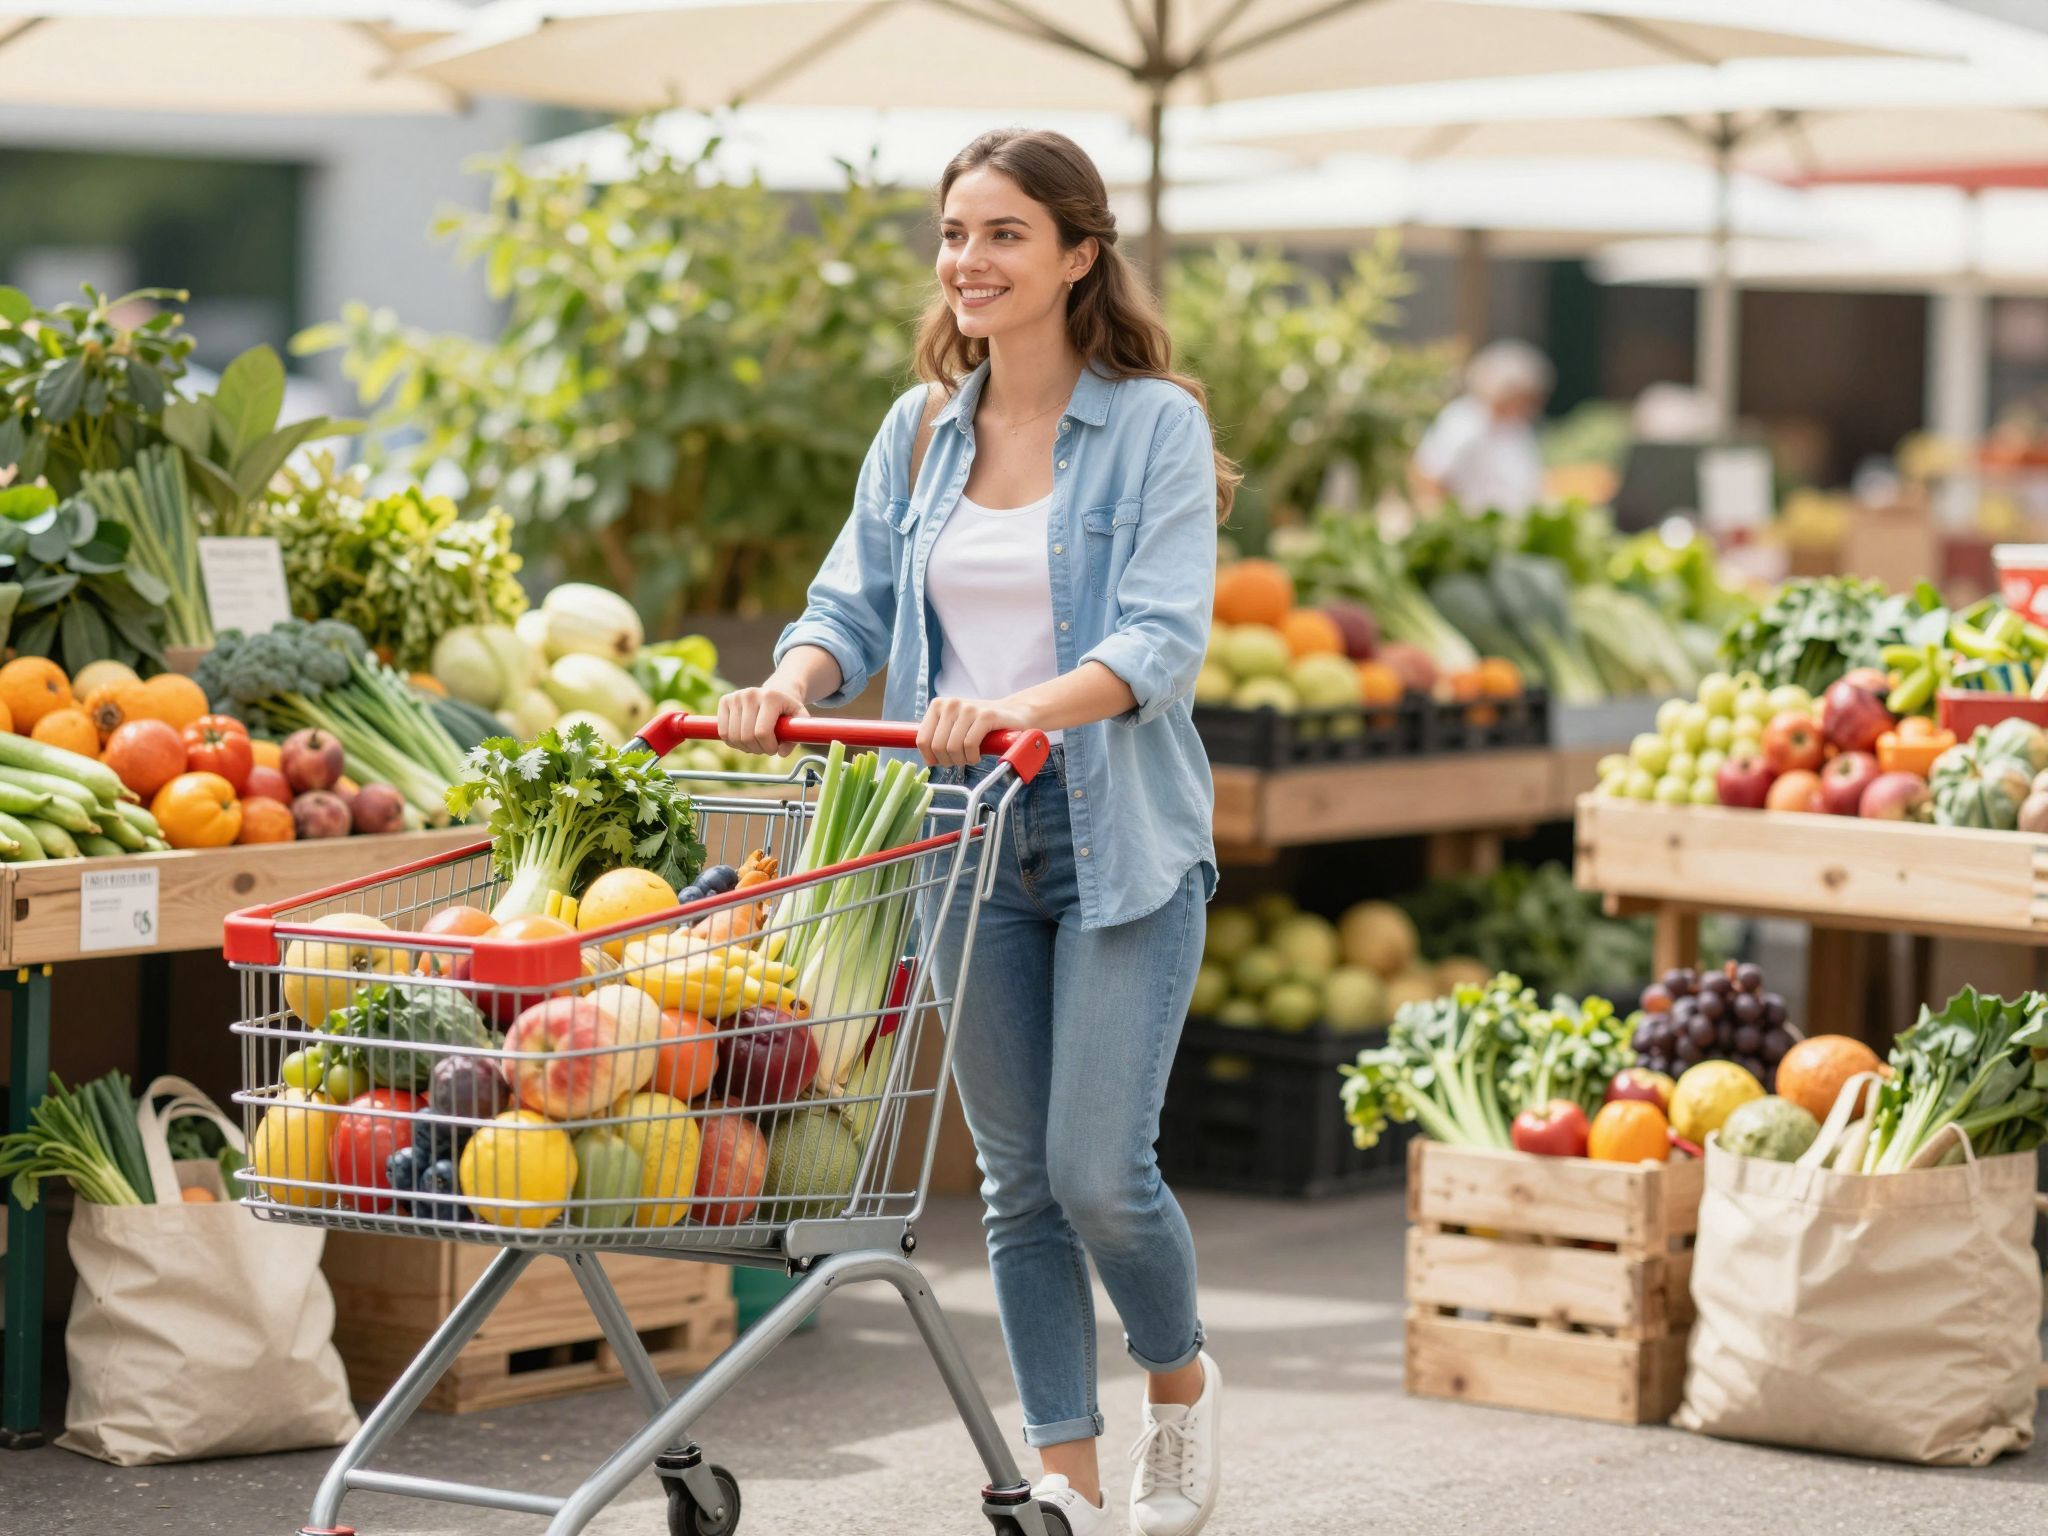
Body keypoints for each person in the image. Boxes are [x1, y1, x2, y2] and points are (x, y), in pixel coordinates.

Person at [717, 127, 1234, 1536]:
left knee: (1098, 1172)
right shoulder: (922, 429)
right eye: (955, 233)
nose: (969, 261)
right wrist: (790, 684)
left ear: (1078, 255)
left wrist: (1011, 705)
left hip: (1116, 834)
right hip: (964, 839)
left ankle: (1177, 1388)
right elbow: (852, 605)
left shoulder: (1154, 426)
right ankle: (1062, 1474)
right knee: (1014, 1183)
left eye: (1005, 233)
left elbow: (1158, 642)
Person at [1411, 337, 1555, 515]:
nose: (1530, 405)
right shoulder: (1463, 422)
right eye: (1525, 397)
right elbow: (1431, 476)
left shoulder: (1517, 428)